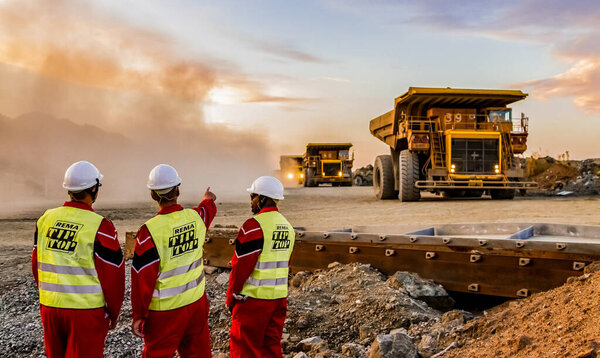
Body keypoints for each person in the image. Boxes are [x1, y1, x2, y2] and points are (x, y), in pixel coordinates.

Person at [32, 160, 125, 358]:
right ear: (93, 188)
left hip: (50, 308)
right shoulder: (101, 227)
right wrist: (114, 312)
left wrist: (46, 299)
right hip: (85, 312)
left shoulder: (45, 219)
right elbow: (113, 277)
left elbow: (36, 263)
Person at [131, 164, 216, 358]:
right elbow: (207, 210)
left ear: (153, 195)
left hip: (165, 312)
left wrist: (139, 315)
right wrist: (208, 199)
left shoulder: (149, 231)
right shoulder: (195, 218)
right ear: (178, 190)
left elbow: (142, 278)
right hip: (195, 304)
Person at [227, 176, 296, 358]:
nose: (251, 202)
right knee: (271, 349)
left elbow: (240, 268)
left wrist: (231, 297)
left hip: (253, 301)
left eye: (253, 197)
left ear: (263, 198)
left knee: (244, 350)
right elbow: (285, 262)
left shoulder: (253, 226)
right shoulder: (287, 227)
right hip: (279, 299)